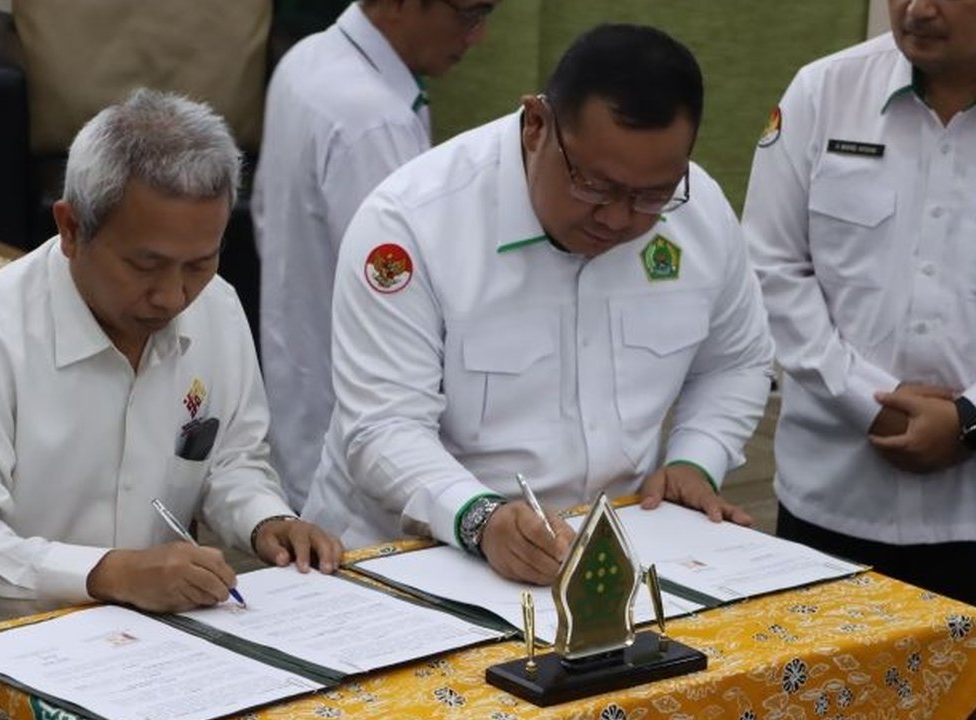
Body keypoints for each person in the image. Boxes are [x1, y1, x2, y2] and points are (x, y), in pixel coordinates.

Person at [0, 89, 343, 716]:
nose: (173, 296)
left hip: (131, 661)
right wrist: (111, 573)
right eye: (145, 265)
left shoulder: (217, 309)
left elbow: (232, 460)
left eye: (200, 263)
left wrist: (267, 522)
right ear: (70, 228)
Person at [303, 24, 776, 585]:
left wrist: (695, 460)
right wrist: (482, 519)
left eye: (651, 195)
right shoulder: (411, 224)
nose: (619, 217)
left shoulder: (699, 212)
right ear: (536, 126)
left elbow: (736, 360)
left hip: (611, 555)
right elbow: (383, 426)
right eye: (595, 185)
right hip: (411, 559)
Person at [742, 1, 976, 716]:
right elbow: (771, 268)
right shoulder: (824, 92)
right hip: (835, 500)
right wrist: (868, 402)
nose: (917, 8)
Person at [254, 0, 498, 510]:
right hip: (357, 447)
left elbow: (263, 215)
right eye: (470, 14)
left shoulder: (305, 59)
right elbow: (409, 300)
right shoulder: (373, 121)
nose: (478, 36)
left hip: (297, 400)